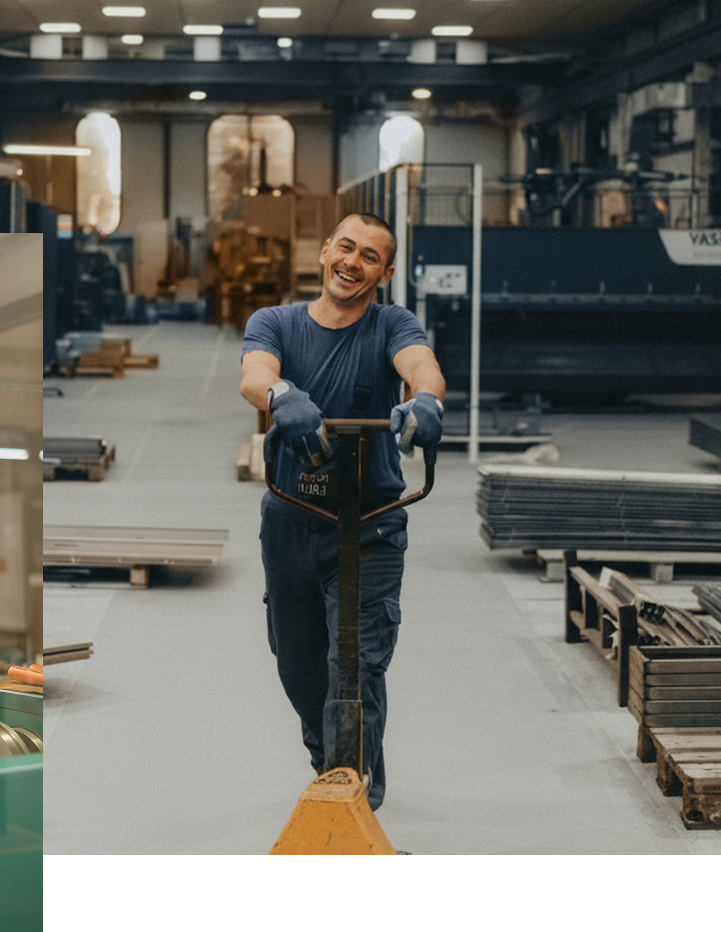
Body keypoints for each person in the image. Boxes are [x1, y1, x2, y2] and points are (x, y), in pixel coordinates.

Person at [239, 212, 445, 810]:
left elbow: (420, 365)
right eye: (346, 248)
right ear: (326, 250)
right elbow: (255, 374)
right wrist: (282, 395)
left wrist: (426, 400)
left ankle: (352, 795)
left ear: (384, 272)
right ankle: (333, 768)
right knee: (300, 666)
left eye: (370, 256)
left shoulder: (390, 324)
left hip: (371, 522)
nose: (353, 262)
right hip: (291, 520)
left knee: (355, 666)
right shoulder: (274, 321)